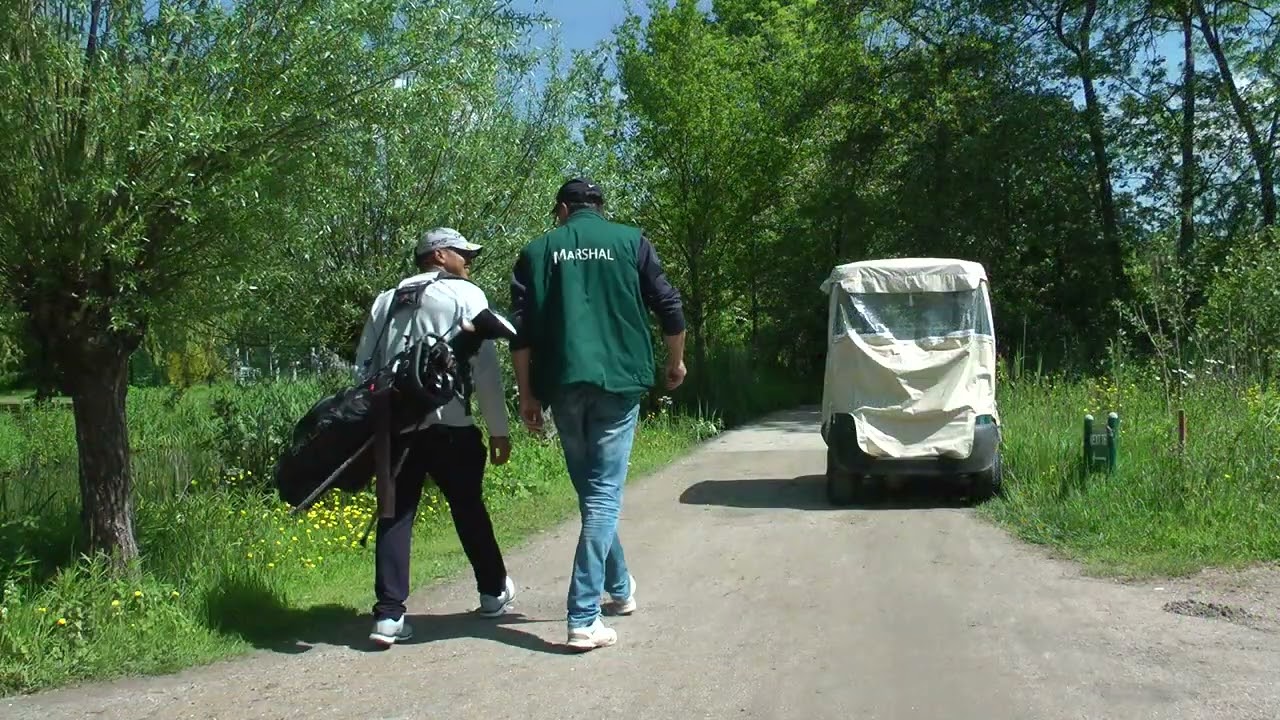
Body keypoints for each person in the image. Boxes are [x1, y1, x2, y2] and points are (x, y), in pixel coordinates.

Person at [508, 178, 687, 651]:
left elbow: (520, 333)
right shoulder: (631, 241)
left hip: (562, 384)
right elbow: (669, 305)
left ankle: (621, 588)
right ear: (599, 208)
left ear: (563, 209)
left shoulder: (537, 251)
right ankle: (583, 616)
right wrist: (676, 361)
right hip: (619, 379)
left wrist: (526, 395)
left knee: (594, 494)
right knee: (602, 496)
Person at [353, 227, 517, 648]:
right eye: (463, 253)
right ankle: (493, 591)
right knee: (467, 508)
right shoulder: (466, 295)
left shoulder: (386, 301)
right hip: (450, 423)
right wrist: (499, 429)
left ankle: (388, 616)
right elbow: (484, 370)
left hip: (396, 427)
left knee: (395, 513)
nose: (469, 261)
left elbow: (364, 370)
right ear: (440, 255)